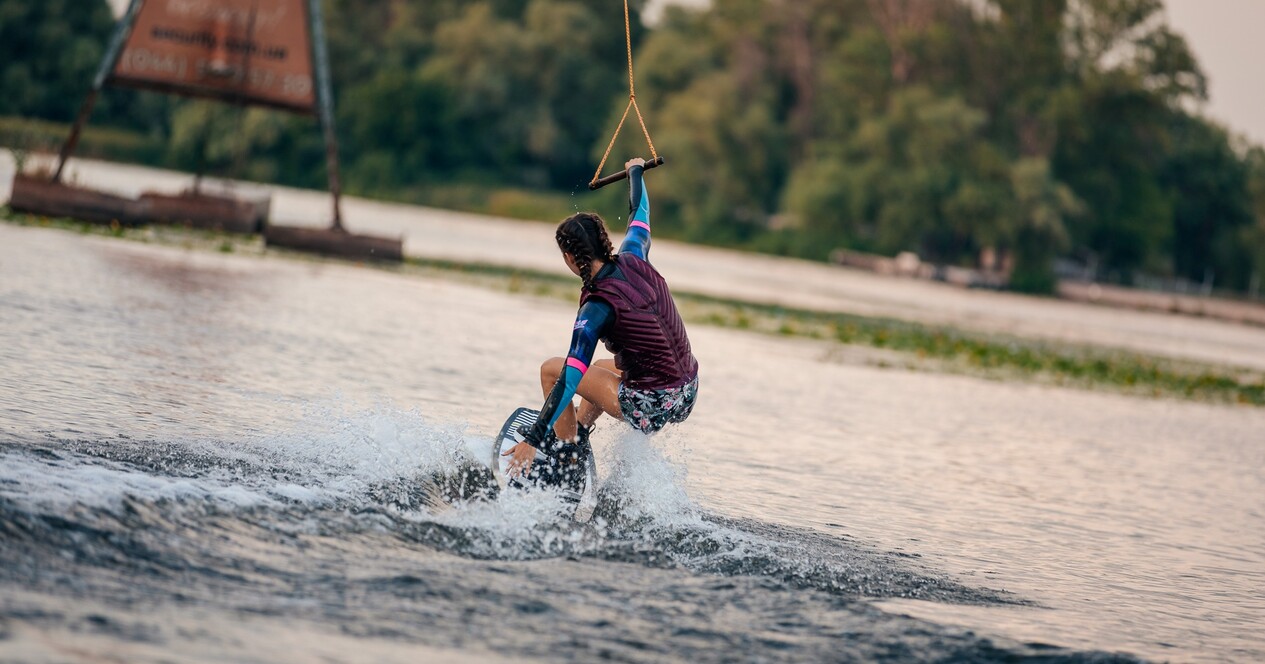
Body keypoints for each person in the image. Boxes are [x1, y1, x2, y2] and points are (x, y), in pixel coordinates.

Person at [503, 158, 699, 491]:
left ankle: (567, 460)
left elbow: (569, 376)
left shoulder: (596, 308)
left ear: (569, 257)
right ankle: (577, 431)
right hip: (687, 392)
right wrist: (635, 172)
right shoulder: (634, 253)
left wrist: (532, 439)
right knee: (600, 368)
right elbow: (640, 211)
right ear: (605, 241)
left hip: (649, 406)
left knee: (553, 370)